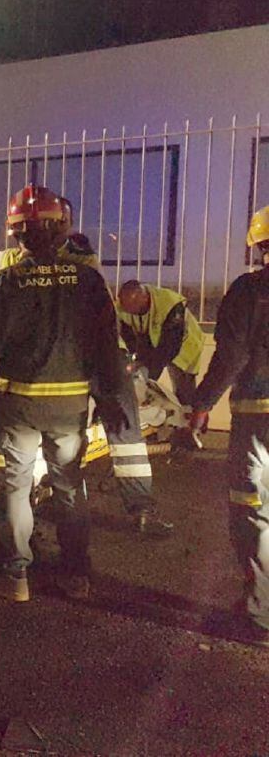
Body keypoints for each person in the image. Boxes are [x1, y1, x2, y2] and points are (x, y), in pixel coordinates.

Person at [0, 199, 169, 535]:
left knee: (1, 441)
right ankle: (119, 515)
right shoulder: (67, 267)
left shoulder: (16, 274)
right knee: (104, 433)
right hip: (75, 360)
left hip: (60, 359)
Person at [0, 184, 127, 602]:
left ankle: (15, 576)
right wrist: (111, 402)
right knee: (69, 486)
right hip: (71, 405)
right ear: (62, 228)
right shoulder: (89, 281)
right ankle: (76, 575)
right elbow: (107, 348)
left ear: (16, 234)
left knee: (15, 489)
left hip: (18, 404)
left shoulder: (4, 282)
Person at [186, 205, 269, 644]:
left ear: (258, 245)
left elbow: (232, 355)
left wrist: (203, 404)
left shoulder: (249, 290)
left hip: (258, 416)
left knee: (253, 508)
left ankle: (263, 612)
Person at [115, 280, 205, 406]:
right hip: (154, 342)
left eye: (133, 307)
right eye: (126, 308)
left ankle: (192, 416)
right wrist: (134, 359)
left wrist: (148, 374)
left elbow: (169, 348)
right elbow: (128, 337)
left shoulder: (170, 304)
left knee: (184, 393)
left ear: (145, 298)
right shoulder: (122, 308)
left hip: (184, 347)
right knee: (142, 381)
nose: (129, 311)